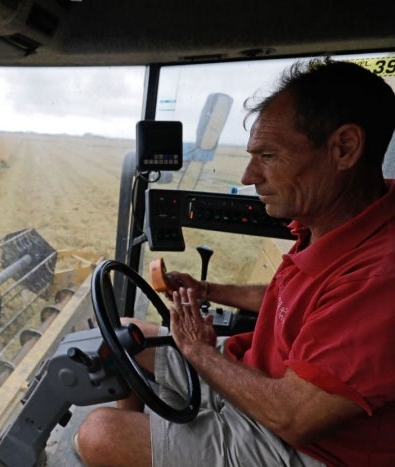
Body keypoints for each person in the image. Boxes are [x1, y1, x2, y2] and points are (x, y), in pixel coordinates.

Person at [76, 58, 395, 466]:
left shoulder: (380, 277)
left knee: (99, 435)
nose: (248, 175)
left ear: (344, 148)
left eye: (268, 155)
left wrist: (199, 351)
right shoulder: (334, 221)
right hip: (266, 378)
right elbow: (295, 304)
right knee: (124, 333)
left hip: (307, 446)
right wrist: (208, 291)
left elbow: (293, 418)